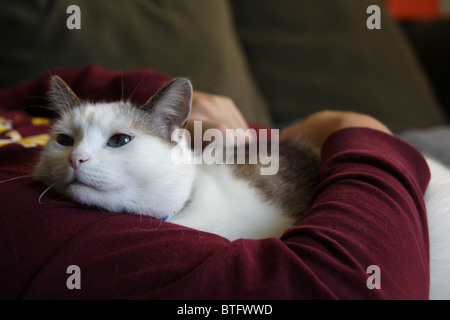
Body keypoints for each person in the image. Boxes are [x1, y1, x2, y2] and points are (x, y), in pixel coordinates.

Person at [0, 69, 430, 299]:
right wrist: (354, 128)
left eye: (115, 141)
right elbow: (348, 289)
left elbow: (54, 84)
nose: (77, 156)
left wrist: (166, 103)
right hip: (379, 172)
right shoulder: (74, 239)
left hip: (271, 145)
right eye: (65, 140)